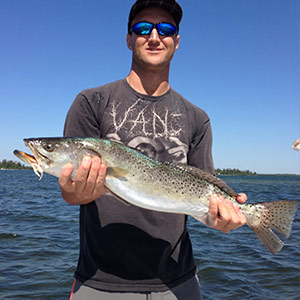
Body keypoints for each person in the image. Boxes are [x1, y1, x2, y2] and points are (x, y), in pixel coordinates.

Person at [59, 1, 247, 299]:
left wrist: (224, 218)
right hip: (100, 281)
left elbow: (205, 208)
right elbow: (71, 194)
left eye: (166, 29)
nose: (155, 36)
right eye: (143, 28)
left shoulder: (198, 118)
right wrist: (76, 191)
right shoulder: (91, 102)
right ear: (129, 38)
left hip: (179, 282)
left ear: (177, 41)